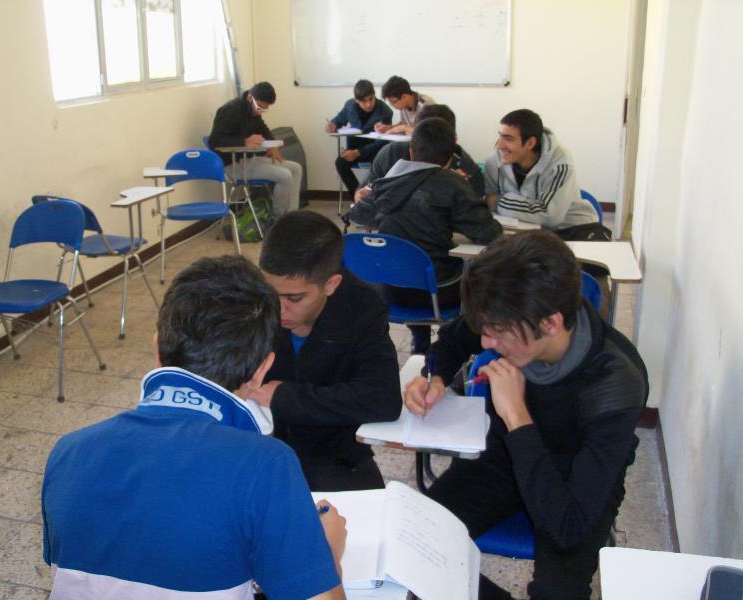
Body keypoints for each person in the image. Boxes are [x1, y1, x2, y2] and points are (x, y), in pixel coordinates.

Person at [42, 256, 347, 600]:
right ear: (262, 370)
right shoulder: (267, 464)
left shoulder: (68, 451)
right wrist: (328, 554)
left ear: (157, 346)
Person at [404, 231, 648, 600]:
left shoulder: (615, 381)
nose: (485, 343)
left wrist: (516, 415)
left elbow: (568, 525)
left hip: (573, 483)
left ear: (550, 323)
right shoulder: (510, 316)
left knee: (557, 593)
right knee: (413, 545)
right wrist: (434, 377)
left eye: (496, 333)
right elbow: (453, 340)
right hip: (504, 462)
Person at [252, 211, 402, 492]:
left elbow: (384, 400)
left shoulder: (362, 307)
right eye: (270, 292)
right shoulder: (249, 299)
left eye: (294, 298)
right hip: (261, 450)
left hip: (335, 453)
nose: (278, 308)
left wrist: (285, 397)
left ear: (331, 285)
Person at [349, 117, 502, 353]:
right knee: (476, 274)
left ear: (411, 151)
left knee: (411, 261)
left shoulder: (387, 182)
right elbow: (490, 233)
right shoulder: (453, 184)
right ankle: (451, 347)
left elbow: (358, 215)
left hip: (388, 291)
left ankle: (420, 342)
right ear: (450, 157)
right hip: (439, 293)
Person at [484, 109, 610, 240]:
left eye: (508, 139)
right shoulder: (494, 162)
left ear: (530, 143)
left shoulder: (560, 163)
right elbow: (487, 202)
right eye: (500, 136)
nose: (499, 145)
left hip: (572, 230)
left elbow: (549, 215)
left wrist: (499, 202)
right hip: (525, 233)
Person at [208, 81, 302, 216]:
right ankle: (279, 218)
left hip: (249, 160)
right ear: (249, 97)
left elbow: (263, 128)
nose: (260, 111)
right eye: (259, 107)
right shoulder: (230, 110)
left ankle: (293, 215)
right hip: (232, 165)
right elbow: (214, 141)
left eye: (264, 109)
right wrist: (244, 141)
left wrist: (272, 145)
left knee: (296, 168)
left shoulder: (253, 111)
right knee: (285, 175)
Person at [358, 104, 486, 198]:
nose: (429, 148)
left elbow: (476, 210)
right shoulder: (392, 153)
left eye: (438, 141)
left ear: (454, 141)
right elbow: (361, 195)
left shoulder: (464, 166)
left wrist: (459, 187)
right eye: (423, 139)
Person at [326, 79, 394, 198]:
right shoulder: (350, 106)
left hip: (375, 151)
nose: (368, 104)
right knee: (340, 163)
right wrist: (332, 125)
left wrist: (359, 153)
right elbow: (338, 119)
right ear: (356, 100)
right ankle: (358, 198)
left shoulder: (385, 111)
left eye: (371, 99)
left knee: (384, 164)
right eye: (363, 101)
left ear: (374, 94)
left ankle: (374, 199)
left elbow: (383, 141)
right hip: (353, 149)